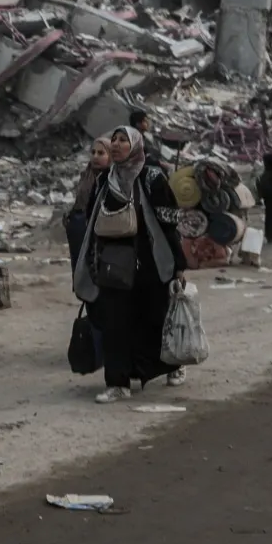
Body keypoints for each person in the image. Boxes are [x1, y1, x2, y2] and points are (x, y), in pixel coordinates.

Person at [70, 126, 187, 402]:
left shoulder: (152, 177)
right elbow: (92, 220)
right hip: (113, 266)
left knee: (155, 318)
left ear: (135, 146)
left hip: (150, 263)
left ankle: (173, 364)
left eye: (123, 140)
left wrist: (178, 265)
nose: (117, 144)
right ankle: (118, 383)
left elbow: (169, 224)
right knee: (115, 324)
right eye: (114, 139)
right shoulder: (105, 180)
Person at [65, 137, 111, 259]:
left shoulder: (114, 180)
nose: (95, 156)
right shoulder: (86, 176)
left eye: (101, 153)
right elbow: (80, 201)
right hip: (80, 230)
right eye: (93, 152)